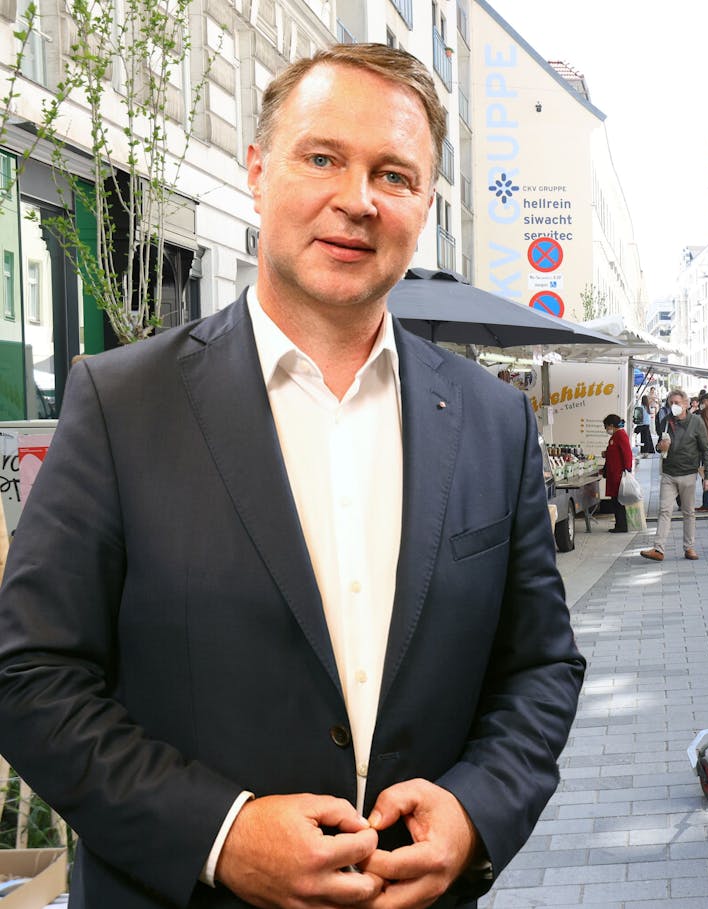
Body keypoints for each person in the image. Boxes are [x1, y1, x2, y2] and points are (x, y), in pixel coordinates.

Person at [0, 44, 586, 906]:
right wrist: (222, 831)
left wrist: (474, 809)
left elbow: (540, 666)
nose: (357, 200)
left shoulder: (492, 420)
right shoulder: (124, 404)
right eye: (323, 158)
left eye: (394, 174)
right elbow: (31, 676)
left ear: (423, 204)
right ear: (258, 170)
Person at [642, 389, 708, 562]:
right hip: (669, 473)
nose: (673, 406)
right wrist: (662, 446)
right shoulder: (666, 421)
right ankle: (658, 549)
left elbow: (706, 449)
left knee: (688, 512)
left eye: (677, 402)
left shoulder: (696, 422)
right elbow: (660, 447)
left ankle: (689, 547)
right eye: (671, 403)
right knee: (664, 510)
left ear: (686, 404)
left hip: (688, 473)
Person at [601, 413, 635, 533]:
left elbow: (627, 454)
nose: (606, 430)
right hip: (614, 474)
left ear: (611, 425)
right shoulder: (616, 436)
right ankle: (619, 524)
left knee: (618, 501)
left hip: (619, 474)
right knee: (615, 500)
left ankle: (622, 525)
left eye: (606, 427)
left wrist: (627, 470)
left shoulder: (620, 435)